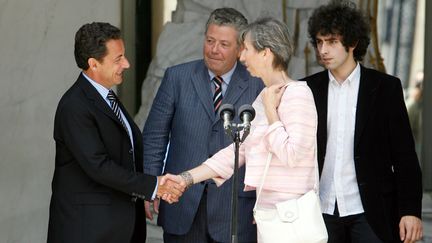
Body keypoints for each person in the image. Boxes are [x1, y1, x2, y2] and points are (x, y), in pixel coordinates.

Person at [162, 17, 319, 242]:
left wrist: (271, 111)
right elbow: (236, 152)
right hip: (270, 218)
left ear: (266, 53)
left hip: (290, 221)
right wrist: (185, 179)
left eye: (246, 49)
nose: (241, 56)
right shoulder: (265, 97)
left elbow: (292, 155)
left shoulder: (297, 94)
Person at [47, 22, 184, 243]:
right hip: (88, 230)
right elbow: (98, 166)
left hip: (118, 226)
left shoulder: (107, 98)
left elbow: (126, 155)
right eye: (118, 58)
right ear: (94, 64)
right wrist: (154, 186)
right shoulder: (75, 106)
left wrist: (147, 192)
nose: (127, 64)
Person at [303, 1, 423, 242]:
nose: (323, 50)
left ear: (352, 43)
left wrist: (410, 210)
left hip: (370, 211)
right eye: (319, 42)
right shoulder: (306, 88)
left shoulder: (385, 88)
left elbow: (404, 155)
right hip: (320, 210)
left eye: (332, 41)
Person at [142, 8, 264, 243]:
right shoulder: (177, 77)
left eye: (224, 44)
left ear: (240, 48)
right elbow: (155, 137)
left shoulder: (257, 85)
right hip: (181, 203)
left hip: (235, 210)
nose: (214, 49)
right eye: (210, 41)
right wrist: (151, 186)